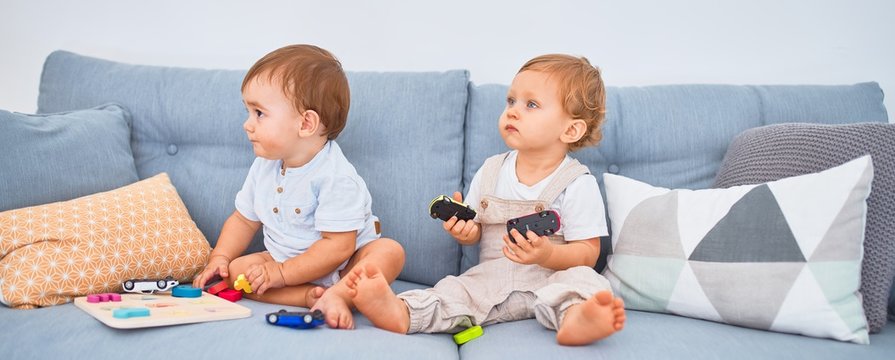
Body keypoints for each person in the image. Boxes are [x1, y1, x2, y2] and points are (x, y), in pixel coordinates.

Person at [345, 54, 625, 345]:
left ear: (570, 130)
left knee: (587, 281)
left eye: (531, 104)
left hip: (553, 280)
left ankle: (577, 319)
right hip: (493, 278)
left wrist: (547, 255)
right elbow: (476, 230)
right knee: (455, 291)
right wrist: (466, 232)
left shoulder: (577, 183)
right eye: (511, 101)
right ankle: (401, 311)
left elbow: (588, 253)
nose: (513, 112)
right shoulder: (492, 170)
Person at [193, 44, 405, 330]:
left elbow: (338, 247)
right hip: (282, 260)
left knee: (389, 252)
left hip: (345, 266)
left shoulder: (335, 176)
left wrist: (281, 273)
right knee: (235, 272)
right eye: (248, 112)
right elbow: (243, 220)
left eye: (259, 113)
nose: (247, 124)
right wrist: (220, 257)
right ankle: (307, 296)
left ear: (306, 123)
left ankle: (340, 294)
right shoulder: (264, 166)